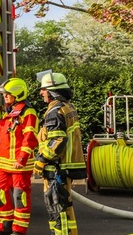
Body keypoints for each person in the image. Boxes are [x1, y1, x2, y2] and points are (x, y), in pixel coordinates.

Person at [0, 78, 39, 235]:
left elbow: (30, 138)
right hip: (4, 164)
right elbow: (4, 131)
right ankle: (5, 225)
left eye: (7, 95)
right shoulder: (9, 111)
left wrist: (22, 159)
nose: (5, 97)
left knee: (20, 196)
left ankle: (19, 230)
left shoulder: (28, 113)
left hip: (19, 164)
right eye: (4, 95)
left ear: (18, 94)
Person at [34, 72, 86, 235]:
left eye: (44, 89)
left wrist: (41, 160)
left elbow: (57, 142)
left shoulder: (55, 111)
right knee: (65, 207)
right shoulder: (67, 107)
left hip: (57, 167)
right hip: (64, 167)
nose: (41, 92)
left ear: (52, 91)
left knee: (57, 209)